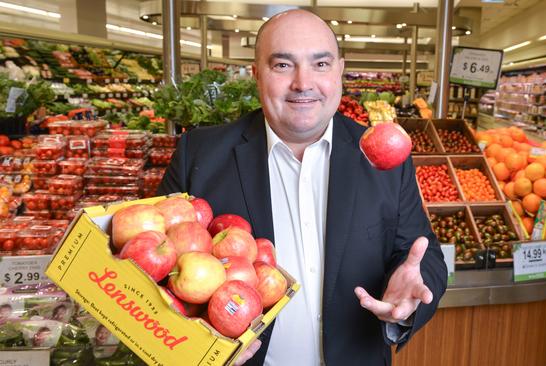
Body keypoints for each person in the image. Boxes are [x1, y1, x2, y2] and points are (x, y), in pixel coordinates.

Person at [158, 9, 447, 366]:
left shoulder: (384, 159)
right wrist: (194, 347)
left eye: (321, 64)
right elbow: (154, 277)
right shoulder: (199, 155)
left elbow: (422, 254)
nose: (303, 83)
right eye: (282, 65)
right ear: (256, 74)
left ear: (340, 70)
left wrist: (408, 299)